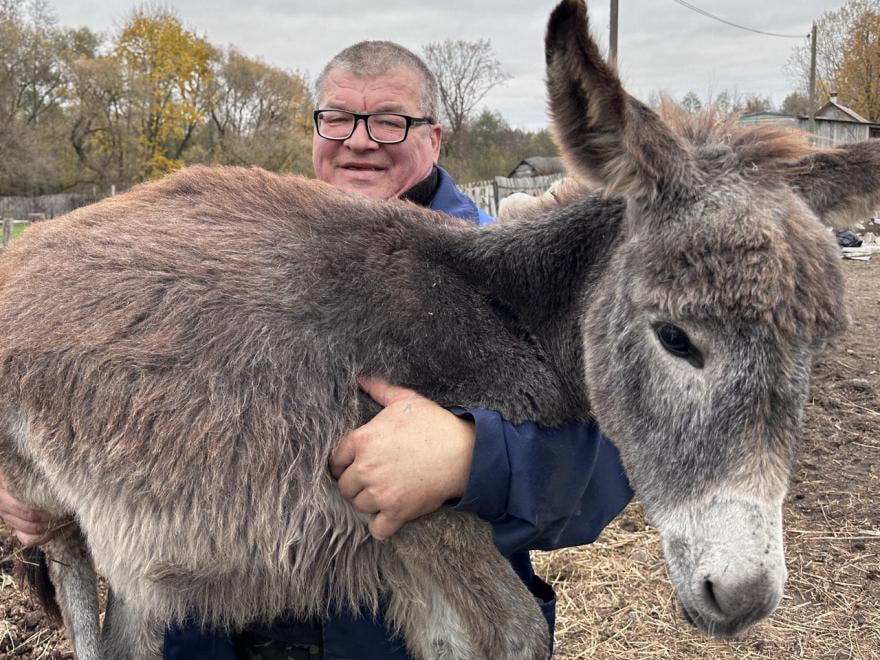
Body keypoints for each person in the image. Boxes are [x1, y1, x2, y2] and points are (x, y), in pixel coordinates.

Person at [0, 41, 633, 660]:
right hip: (208, 635)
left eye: (390, 122)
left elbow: (616, 457)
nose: (359, 140)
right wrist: (25, 477)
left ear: (433, 139)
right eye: (338, 119)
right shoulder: (233, 242)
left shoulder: (511, 276)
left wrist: (471, 459)